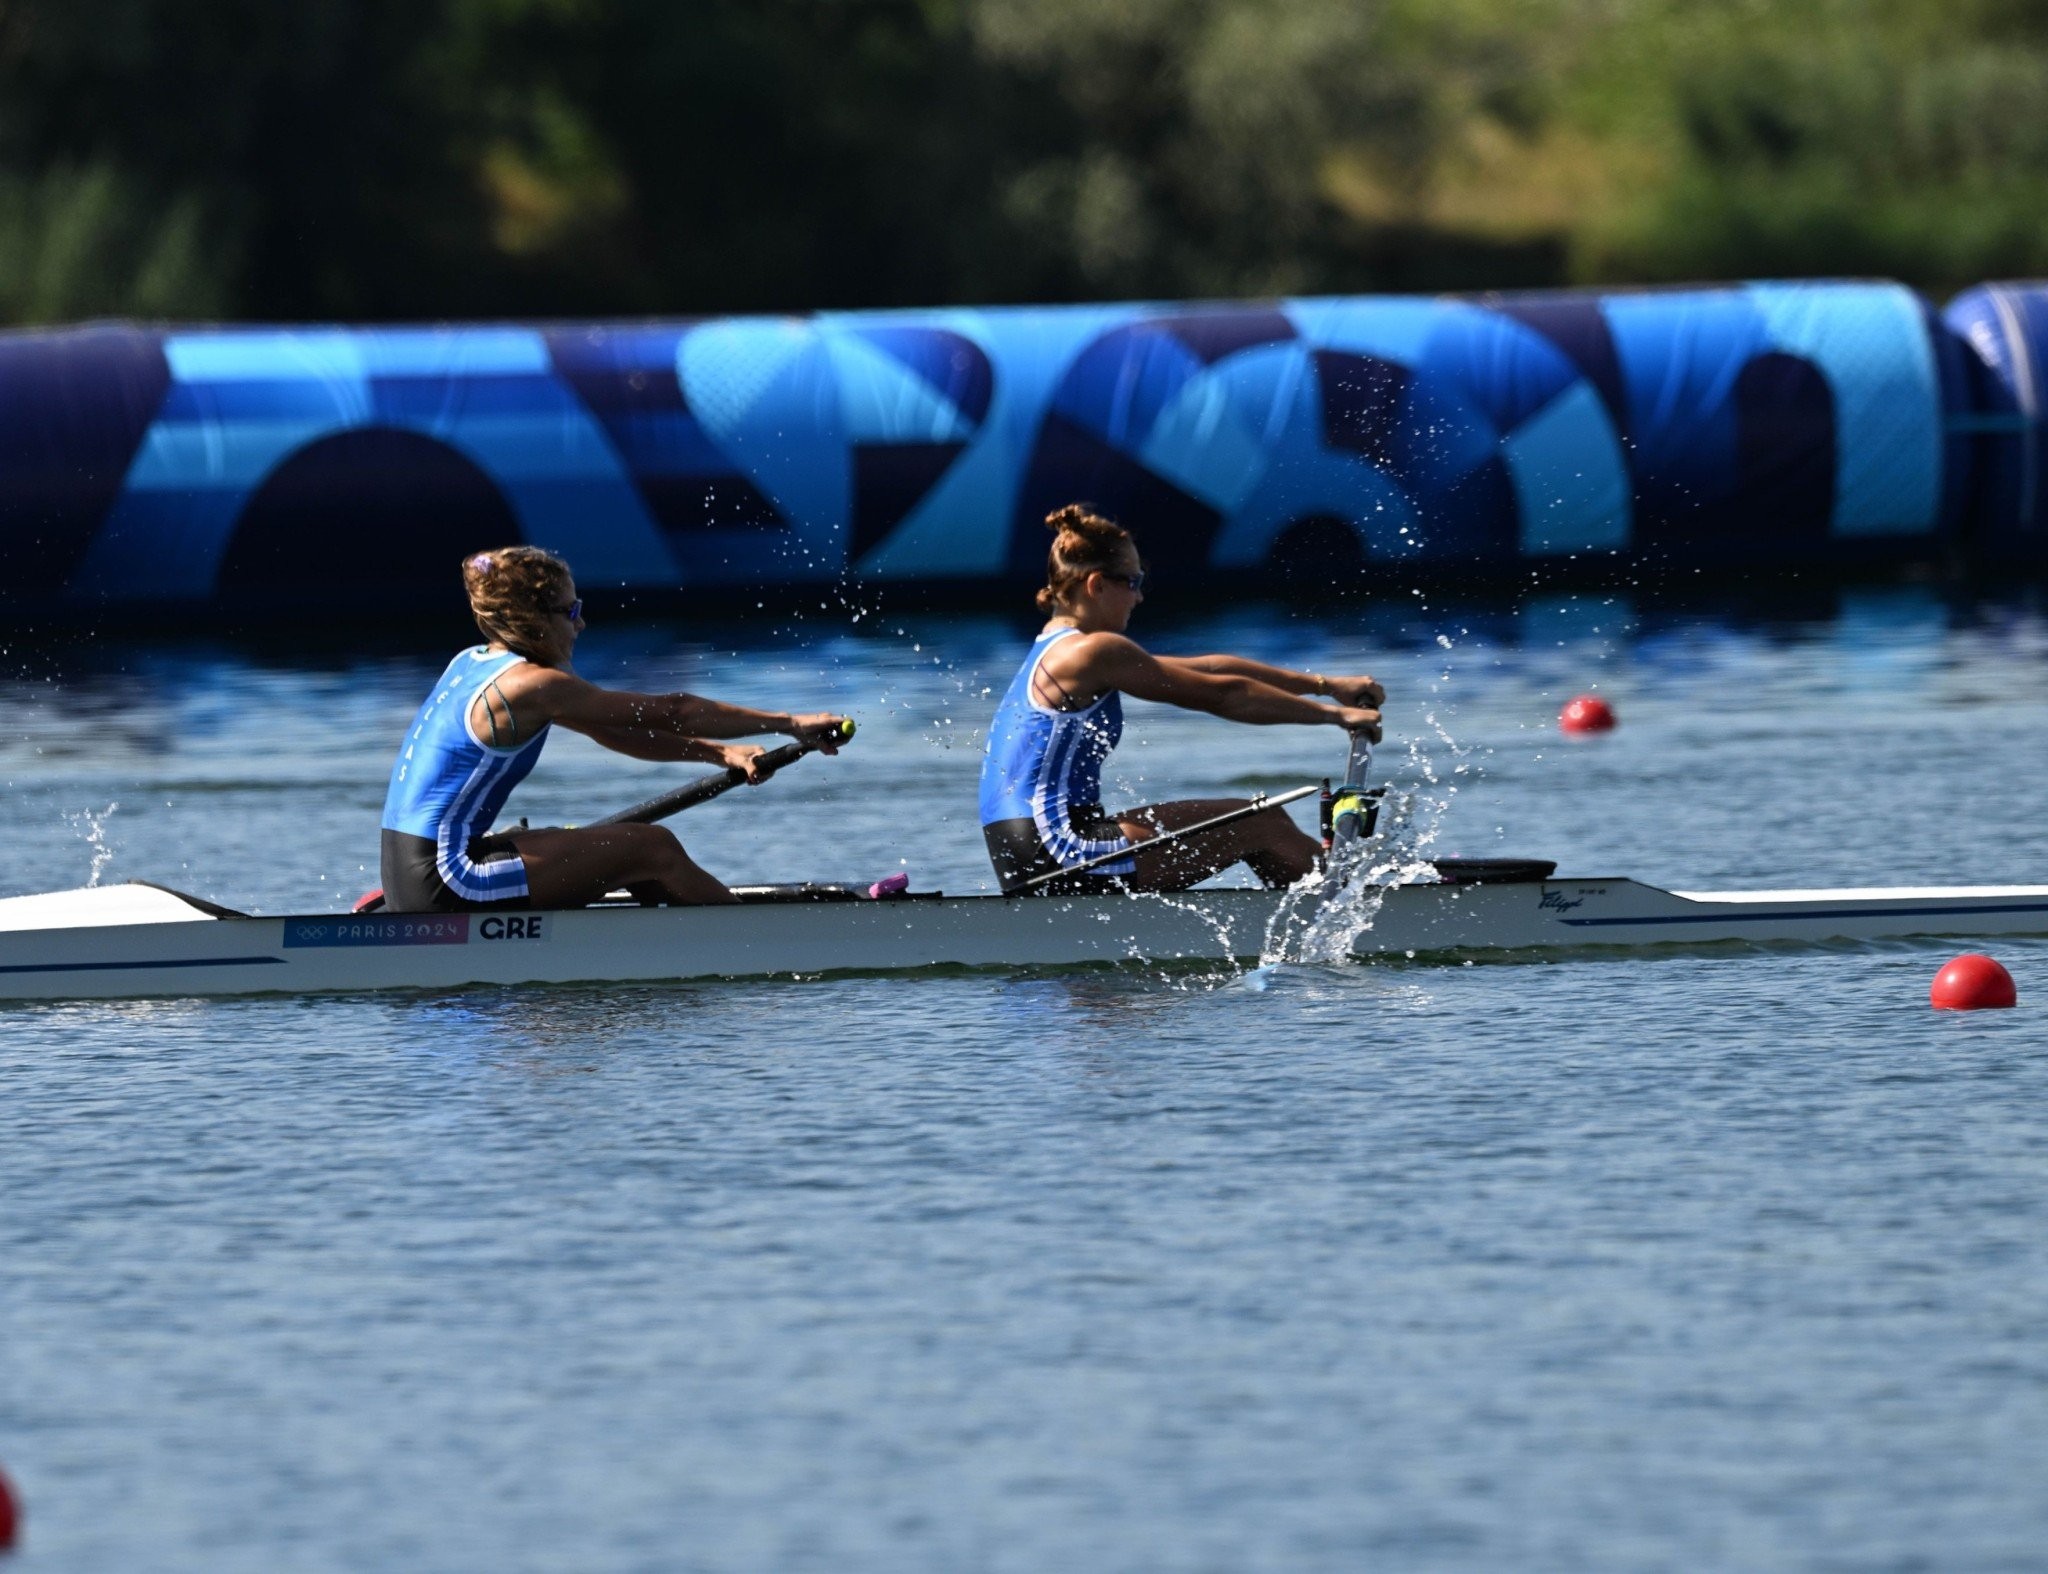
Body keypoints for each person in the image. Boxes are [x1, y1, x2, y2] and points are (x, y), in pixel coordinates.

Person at [380, 546, 848, 912]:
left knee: (581, 841)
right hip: (448, 880)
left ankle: (668, 939)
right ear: (532, 619)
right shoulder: (532, 685)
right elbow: (674, 710)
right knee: (652, 846)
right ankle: (759, 946)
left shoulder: (471, 662)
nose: (580, 622)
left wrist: (721, 754)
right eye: (570, 610)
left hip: (406, 874)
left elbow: (613, 732)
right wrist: (791, 724)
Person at [979, 505, 1384, 895]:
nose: (1139, 597)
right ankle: (1356, 915)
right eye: (1133, 582)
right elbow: (1225, 696)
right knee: (1263, 823)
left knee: (1257, 819)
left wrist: (1326, 684)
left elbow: (1207, 668)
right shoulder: (1092, 651)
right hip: (1060, 849)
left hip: (1028, 851)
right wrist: (1336, 716)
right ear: (1096, 584)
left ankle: (1332, 902)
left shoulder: (1058, 652)